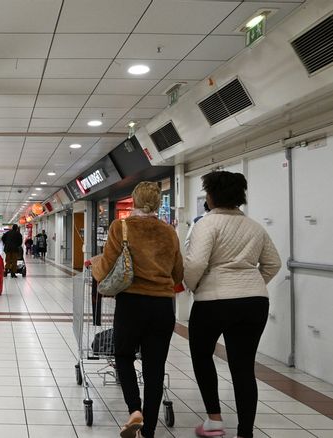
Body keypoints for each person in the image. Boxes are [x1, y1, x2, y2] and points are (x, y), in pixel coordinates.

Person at [184, 171, 281, 438]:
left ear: (211, 196)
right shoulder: (254, 227)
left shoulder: (207, 224)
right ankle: (245, 432)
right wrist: (251, 284)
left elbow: (194, 263)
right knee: (243, 366)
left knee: (202, 356)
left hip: (213, 302)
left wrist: (194, 286)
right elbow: (274, 263)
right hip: (254, 303)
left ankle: (214, 421)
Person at [86, 181, 183, 438]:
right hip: (163, 306)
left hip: (131, 304)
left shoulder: (121, 227)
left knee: (124, 356)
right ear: (157, 202)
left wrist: (95, 266)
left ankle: (134, 410)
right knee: (155, 366)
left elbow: (106, 266)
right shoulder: (169, 232)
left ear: (134, 200)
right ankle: (148, 431)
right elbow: (178, 273)